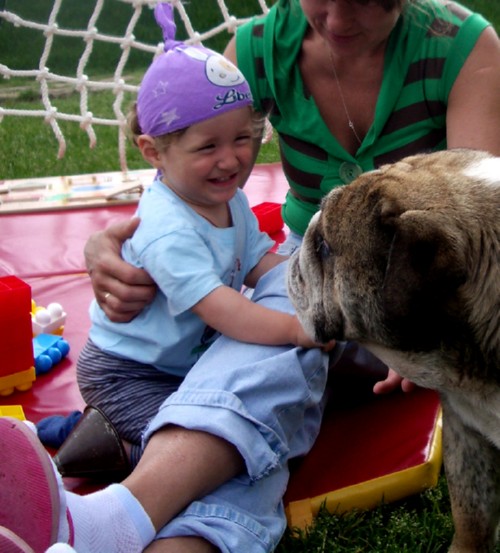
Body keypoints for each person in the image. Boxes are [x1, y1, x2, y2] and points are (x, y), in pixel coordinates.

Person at [1, 1, 500, 552]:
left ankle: (114, 511)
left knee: (277, 333)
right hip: (312, 268)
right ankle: (167, 534)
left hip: (422, 299)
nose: (335, 21)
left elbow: (477, 243)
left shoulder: (461, 47)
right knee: (280, 330)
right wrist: (114, 243)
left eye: (361, 0)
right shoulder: (258, 49)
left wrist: (420, 328)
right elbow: (182, 158)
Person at [46, 3, 326, 479]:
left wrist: (311, 281)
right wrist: (296, 330)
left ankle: (87, 429)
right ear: (153, 151)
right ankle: (108, 450)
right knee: (198, 450)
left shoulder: (225, 197)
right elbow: (220, 306)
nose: (231, 159)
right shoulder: (168, 227)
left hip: (181, 364)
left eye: (243, 138)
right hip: (128, 373)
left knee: (231, 423)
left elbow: (258, 259)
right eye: (207, 147)